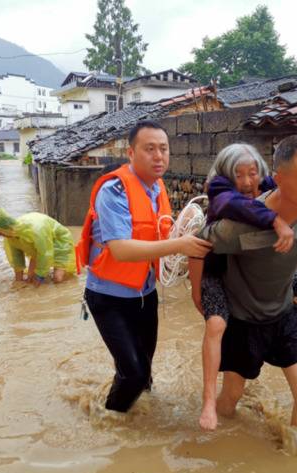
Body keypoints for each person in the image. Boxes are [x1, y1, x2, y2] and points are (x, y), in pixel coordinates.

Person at [189, 143, 297, 431]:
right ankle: (209, 433)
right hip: (244, 321)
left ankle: (293, 464)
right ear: (279, 179)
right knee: (231, 397)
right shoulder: (236, 226)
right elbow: (198, 246)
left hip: (282, 313)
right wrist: (197, 293)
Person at [77, 120, 212, 413]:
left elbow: (160, 234)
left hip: (144, 294)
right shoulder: (114, 191)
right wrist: (179, 245)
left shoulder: (157, 187)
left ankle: (137, 412)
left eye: (163, 149)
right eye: (149, 149)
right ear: (131, 153)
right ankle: (112, 424)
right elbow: (122, 250)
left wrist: (181, 232)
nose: (158, 156)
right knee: (134, 374)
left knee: (144, 371)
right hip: (108, 298)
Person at [0, 209, 76, 286]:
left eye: (0, 232)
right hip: (40, 245)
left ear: (9, 229)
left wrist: (40, 276)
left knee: (57, 279)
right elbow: (17, 257)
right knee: (30, 279)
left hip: (59, 241)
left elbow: (45, 254)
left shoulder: (36, 231)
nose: (0, 235)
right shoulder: (11, 235)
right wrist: (19, 281)